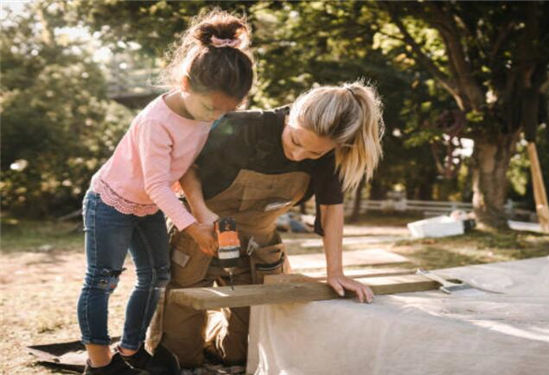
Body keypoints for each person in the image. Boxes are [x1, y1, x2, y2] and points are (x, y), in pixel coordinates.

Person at [147, 81, 384, 369]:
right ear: (291, 115)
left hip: (258, 246)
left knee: (246, 348)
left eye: (314, 154)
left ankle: (219, 351)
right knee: (177, 352)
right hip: (201, 234)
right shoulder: (242, 127)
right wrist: (201, 213)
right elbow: (188, 166)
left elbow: (331, 209)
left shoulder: (329, 154)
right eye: (296, 141)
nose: (298, 156)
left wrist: (336, 271)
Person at [77, 10, 254, 375]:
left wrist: (202, 215)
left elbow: (187, 168)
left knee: (157, 275)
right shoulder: (157, 121)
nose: (214, 117)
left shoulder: (206, 113)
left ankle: (131, 349)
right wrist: (191, 227)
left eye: (226, 111)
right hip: (111, 202)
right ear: (186, 83)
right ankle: (99, 364)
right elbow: (157, 184)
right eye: (211, 107)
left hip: (149, 206)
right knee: (103, 278)